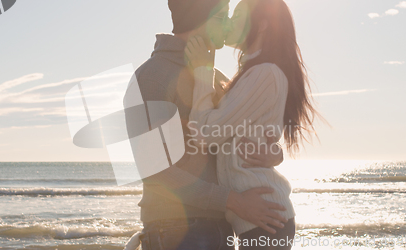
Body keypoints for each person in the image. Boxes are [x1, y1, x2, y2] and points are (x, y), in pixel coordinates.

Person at [123, 0, 290, 249]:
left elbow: (239, 136)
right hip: (175, 228)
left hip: (223, 225)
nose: (228, 25)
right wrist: (233, 200)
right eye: (222, 16)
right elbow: (154, 169)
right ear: (199, 19)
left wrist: (273, 154)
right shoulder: (151, 76)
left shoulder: (216, 76)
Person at [185, 0, 320, 249]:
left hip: (265, 219)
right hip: (261, 218)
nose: (230, 22)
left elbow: (205, 133)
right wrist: (275, 154)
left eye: (237, 15)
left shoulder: (264, 74)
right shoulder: (252, 73)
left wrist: (202, 71)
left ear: (262, 25)